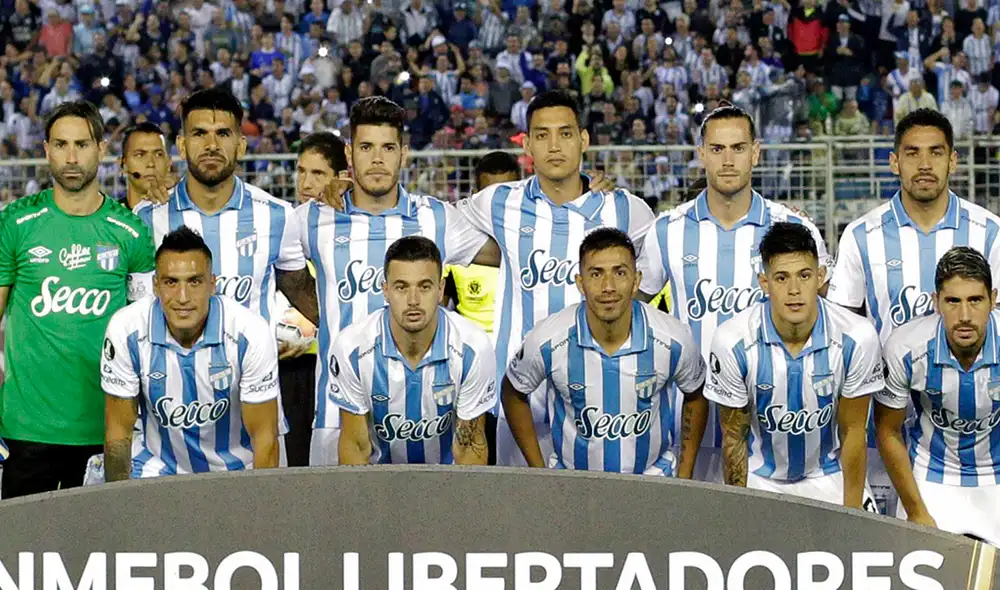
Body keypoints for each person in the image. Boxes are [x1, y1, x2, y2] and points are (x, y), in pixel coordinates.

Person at [458, 89, 656, 467]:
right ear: (528, 143)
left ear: (583, 139)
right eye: (542, 134)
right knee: (521, 518)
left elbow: (654, 274)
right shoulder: (498, 202)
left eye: (565, 133)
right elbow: (429, 222)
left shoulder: (626, 210)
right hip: (518, 400)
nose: (554, 145)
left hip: (601, 402)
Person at [636, 105, 831, 484]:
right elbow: (635, 312)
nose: (728, 160)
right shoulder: (666, 231)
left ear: (756, 153)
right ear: (702, 153)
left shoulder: (794, 227)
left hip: (773, 426)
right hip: (687, 421)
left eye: (738, 148)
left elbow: (827, 317)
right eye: (718, 149)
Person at [295, 102, 497, 467]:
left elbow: (511, 249)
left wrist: (578, 192)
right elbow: (279, 267)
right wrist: (326, 317)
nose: (376, 160)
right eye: (366, 148)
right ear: (349, 153)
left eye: (388, 148)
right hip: (335, 417)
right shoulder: (313, 218)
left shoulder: (436, 218)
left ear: (403, 154)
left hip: (429, 422)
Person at [826, 108, 1000, 513]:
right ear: (894, 162)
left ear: (953, 160)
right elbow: (841, 335)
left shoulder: (990, 233)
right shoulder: (862, 235)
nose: (924, 165)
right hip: (879, 430)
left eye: (936, 153)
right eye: (912, 153)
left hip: (971, 442)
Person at [134, 87, 317, 464]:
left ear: (241, 145)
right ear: (182, 147)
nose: (211, 144)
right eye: (199, 134)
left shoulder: (277, 216)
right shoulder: (148, 219)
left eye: (223, 134)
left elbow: (311, 299)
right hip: (168, 435)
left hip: (255, 429)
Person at [0, 101, 156, 498]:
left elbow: (145, 334)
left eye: (82, 144)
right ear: (46, 150)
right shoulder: (15, 224)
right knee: (21, 555)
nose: (72, 157)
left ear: (102, 150)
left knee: (98, 553)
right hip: (24, 431)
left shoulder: (131, 234)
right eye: (61, 144)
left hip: (106, 431)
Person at [502, 228, 708, 475]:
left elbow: (696, 394)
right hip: (572, 487)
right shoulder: (547, 340)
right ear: (580, 283)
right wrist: (539, 471)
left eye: (620, 273)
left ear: (636, 281)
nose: (608, 286)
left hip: (654, 485)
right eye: (596, 274)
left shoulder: (674, 338)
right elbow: (513, 392)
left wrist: (684, 475)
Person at [707, 223, 882, 511]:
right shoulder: (732, 341)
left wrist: (853, 514)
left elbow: (852, 432)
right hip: (760, 478)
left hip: (830, 474)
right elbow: (734, 437)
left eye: (804, 275)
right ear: (764, 283)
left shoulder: (857, 336)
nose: (794, 290)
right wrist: (738, 514)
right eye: (781, 278)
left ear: (821, 276)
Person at [102, 226, 280, 480]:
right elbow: (119, 433)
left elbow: (265, 439)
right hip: (154, 471)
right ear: (155, 286)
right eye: (171, 282)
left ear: (212, 284)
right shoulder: (126, 329)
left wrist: (260, 514)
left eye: (194, 281)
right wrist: (118, 506)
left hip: (235, 474)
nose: (183, 297)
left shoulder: (249, 334)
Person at [332, 236, 495, 465]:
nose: (413, 300)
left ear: (440, 290)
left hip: (449, 485)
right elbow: (356, 448)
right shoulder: (351, 348)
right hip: (378, 485)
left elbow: (469, 450)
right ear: (385, 291)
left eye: (424, 287)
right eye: (401, 287)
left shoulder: (473, 348)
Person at [876, 246, 1000, 543]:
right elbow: (888, 431)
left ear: (993, 300)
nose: (965, 315)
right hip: (931, 475)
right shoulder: (906, 347)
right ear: (936, 303)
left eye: (975, 300)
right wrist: (916, 510)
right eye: (953, 301)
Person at [119, 122, 176, 209]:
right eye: (140, 155)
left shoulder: (187, 216)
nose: (151, 164)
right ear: (123, 165)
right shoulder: (107, 218)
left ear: (169, 163)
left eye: (158, 154)